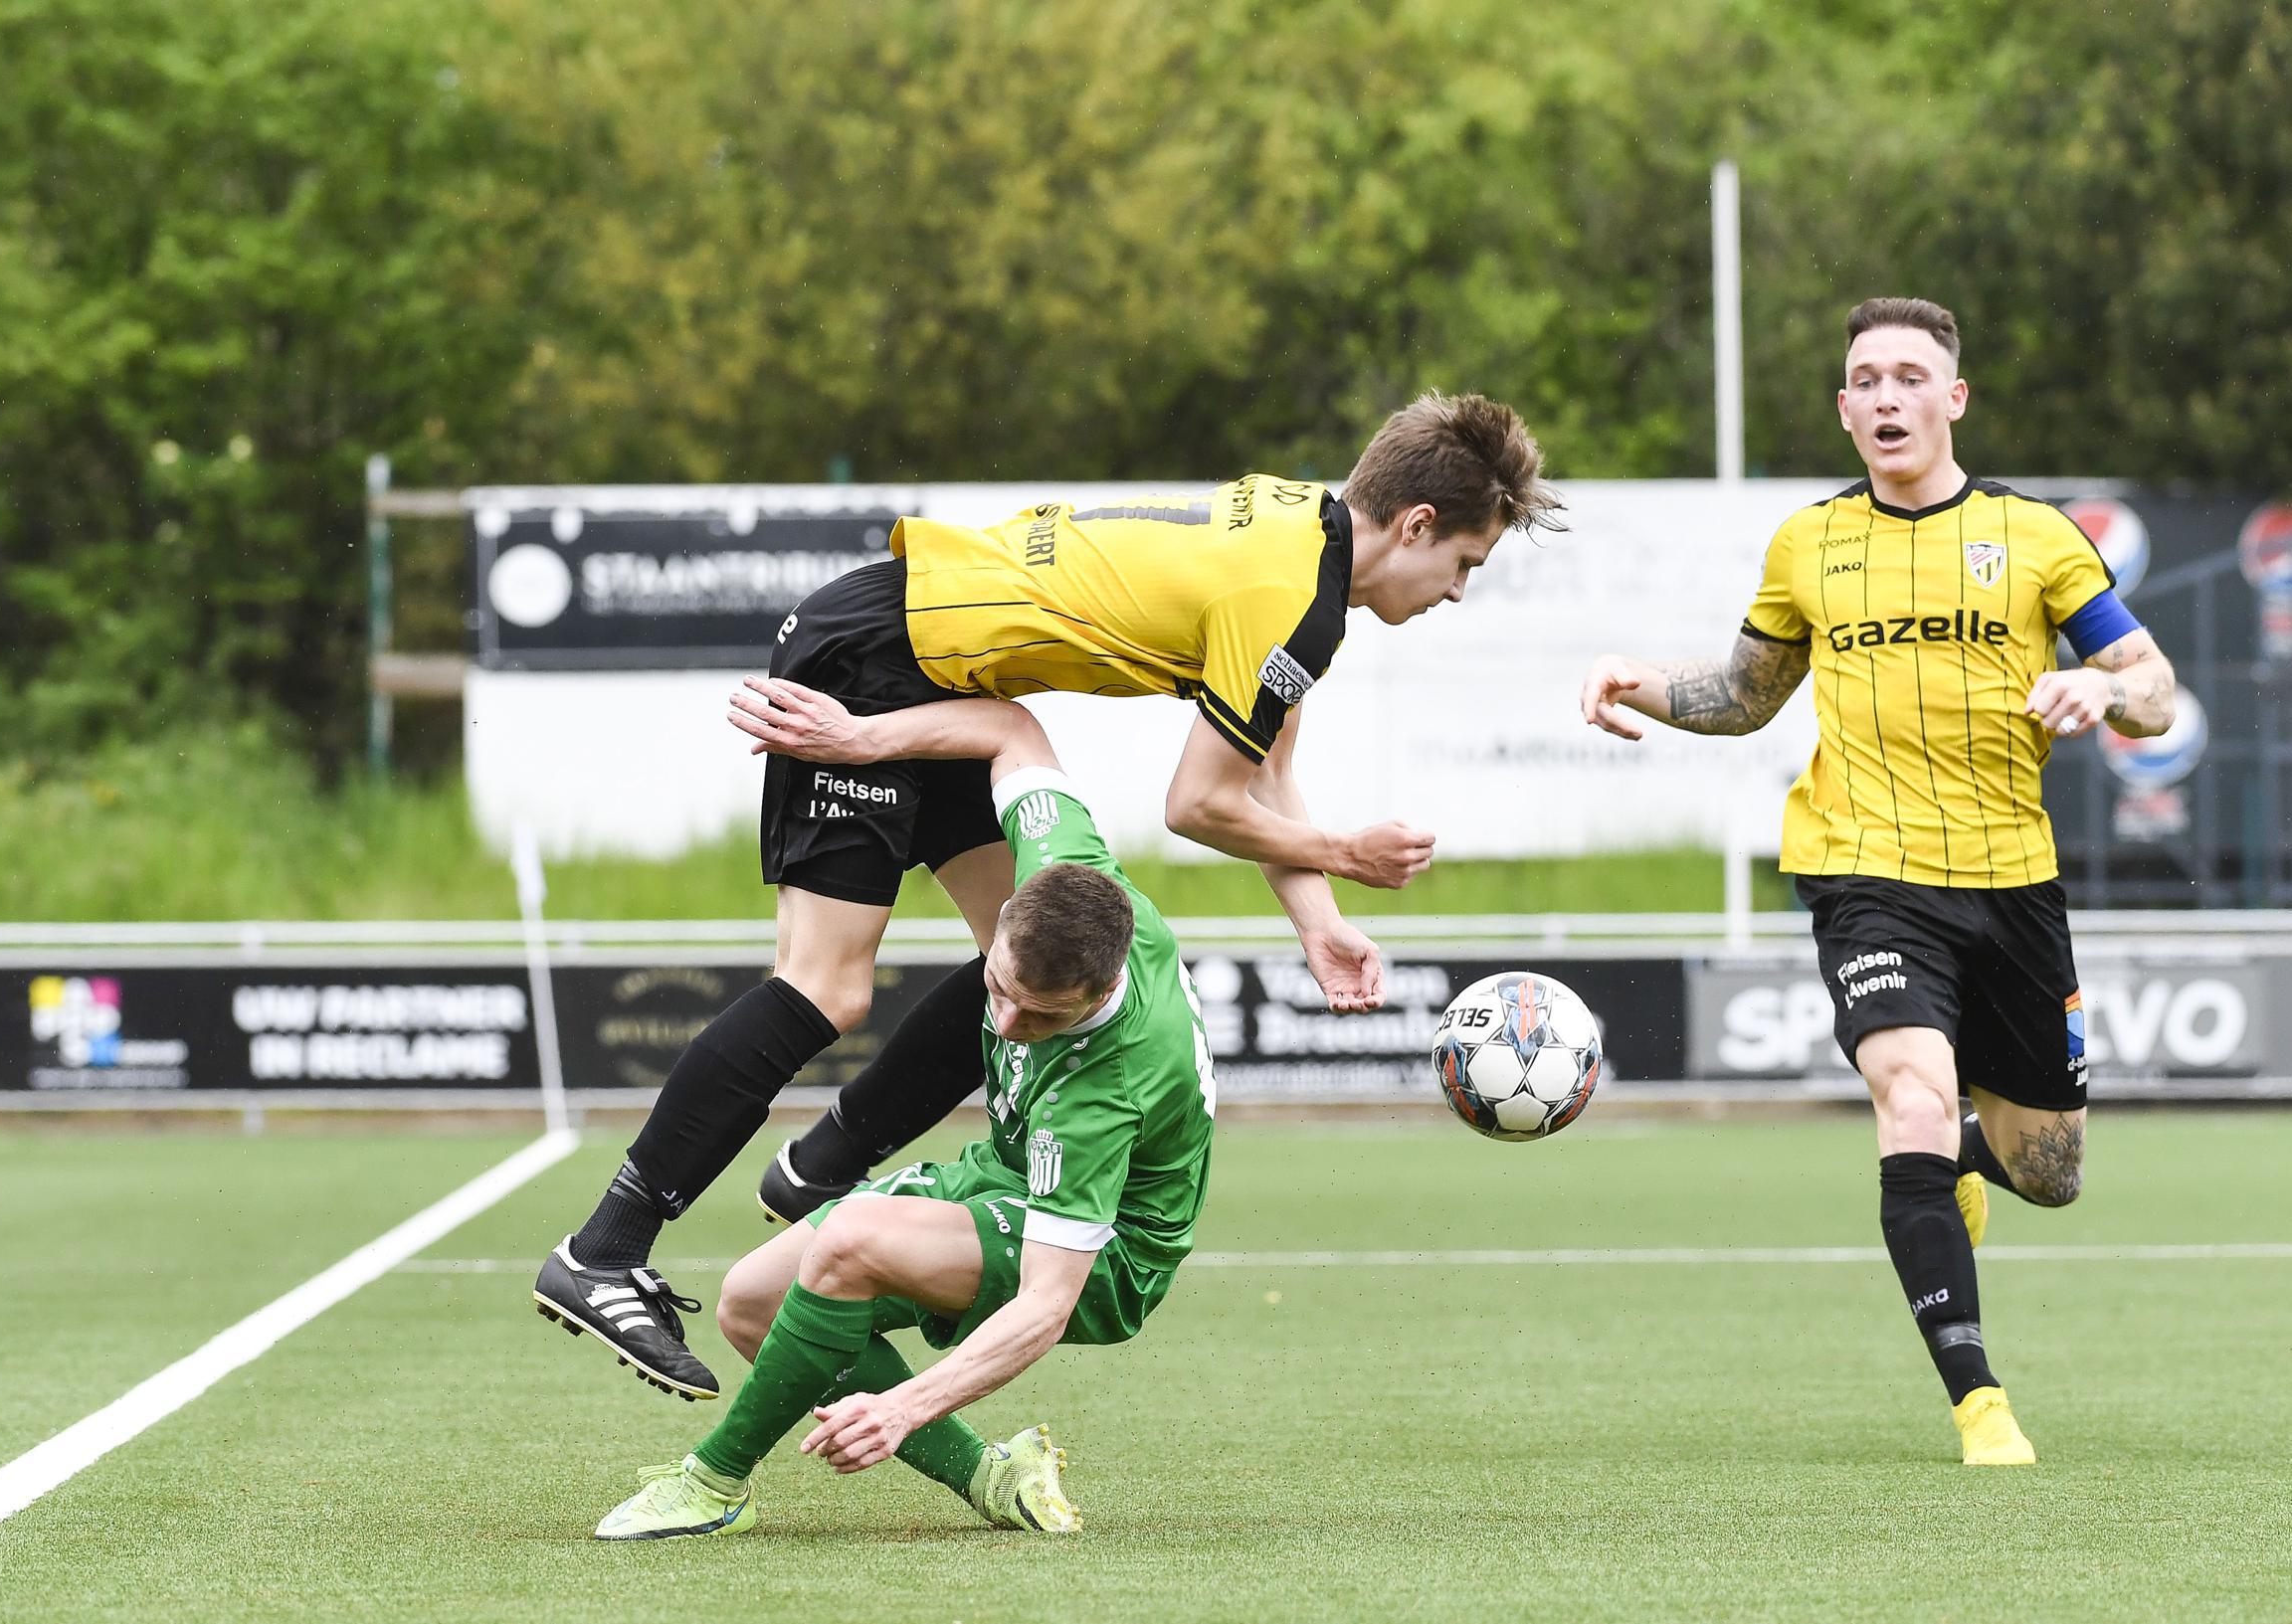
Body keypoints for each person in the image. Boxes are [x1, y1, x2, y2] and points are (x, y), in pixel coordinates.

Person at [535, 393, 1562, 1397]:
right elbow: (1198, 805)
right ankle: (605, 1247)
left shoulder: (1299, 533)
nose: (1458, 590)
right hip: (877, 664)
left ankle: (818, 1168)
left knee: (1015, 956)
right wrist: (1341, 851)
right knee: (825, 984)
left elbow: (1263, 770)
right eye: (1464, 564)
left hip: (939, 677)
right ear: (1417, 524)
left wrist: (1320, 923)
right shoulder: (1292, 600)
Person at [1578, 297, 2176, 1465]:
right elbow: (1743, 695)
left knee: (2048, 1172)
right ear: (1844, 409)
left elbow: (2153, 685)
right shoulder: (1808, 545)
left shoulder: (2038, 538)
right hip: (1863, 874)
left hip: (2012, 885)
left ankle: (1961, 1153)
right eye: (1865, 379)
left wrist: (2102, 693)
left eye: (1910, 376)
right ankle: (1978, 1401)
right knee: (1907, 1094)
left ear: (1953, 400)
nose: (1887, 396)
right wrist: (1635, 678)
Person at [587, 683, 1213, 1538]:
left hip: (1110, 1249)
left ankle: (714, 1480)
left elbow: (1047, 1303)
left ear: (1103, 989)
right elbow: (1010, 727)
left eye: (1040, 1014)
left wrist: (905, 1405)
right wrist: (857, 735)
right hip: (1007, 1167)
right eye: (998, 988)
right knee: (750, 1301)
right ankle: (995, 1477)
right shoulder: (1068, 867)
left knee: (846, 1246)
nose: (1006, 1024)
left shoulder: (1104, 1087)